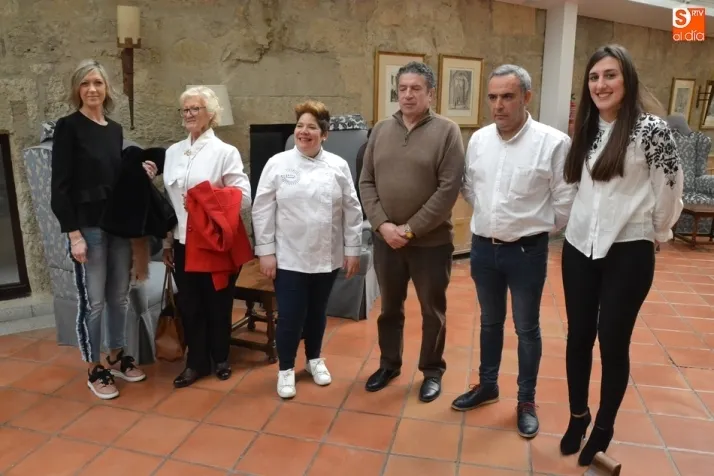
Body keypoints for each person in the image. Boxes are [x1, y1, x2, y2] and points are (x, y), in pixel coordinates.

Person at [559, 44, 683, 466]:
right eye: (594, 77)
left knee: (612, 341)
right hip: (579, 246)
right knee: (578, 337)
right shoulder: (586, 129)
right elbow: (576, 186)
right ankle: (578, 415)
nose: (601, 84)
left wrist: (658, 231)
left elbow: (669, 188)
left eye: (610, 75)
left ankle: (604, 426)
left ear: (627, 79)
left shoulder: (651, 130)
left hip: (628, 250)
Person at [451, 64, 576, 439]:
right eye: (492, 97)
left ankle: (526, 401)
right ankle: (488, 385)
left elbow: (565, 201)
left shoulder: (553, 143)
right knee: (490, 322)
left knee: (526, 329)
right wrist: (492, 217)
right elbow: (469, 186)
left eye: (507, 96)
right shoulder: (479, 140)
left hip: (526, 253)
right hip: (483, 250)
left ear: (526, 97)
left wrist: (530, 228)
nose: (498, 105)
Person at [359, 62, 465, 403]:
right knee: (389, 309)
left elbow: (448, 190)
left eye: (415, 88)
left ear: (430, 93)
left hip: (430, 244)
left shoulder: (447, 132)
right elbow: (366, 181)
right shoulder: (380, 130)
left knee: (432, 311)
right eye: (402, 88)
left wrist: (409, 230)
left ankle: (432, 371)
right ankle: (389, 364)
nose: (407, 95)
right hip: (386, 242)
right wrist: (382, 225)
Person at [51, 59, 155, 400]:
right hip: (89, 229)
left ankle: (116, 356)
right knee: (93, 302)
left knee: (118, 297)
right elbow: (60, 187)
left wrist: (141, 171)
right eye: (85, 83)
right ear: (77, 90)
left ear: (106, 88)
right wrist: (74, 235)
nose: (92, 89)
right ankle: (94, 368)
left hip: (118, 226)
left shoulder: (114, 129)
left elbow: (116, 178)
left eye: (97, 82)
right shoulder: (68, 127)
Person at [252, 100, 363, 399]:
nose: (304, 132)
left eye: (311, 127)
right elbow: (262, 209)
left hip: (327, 255)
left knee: (317, 312)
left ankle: (314, 359)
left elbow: (352, 210)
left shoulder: (338, 166)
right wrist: (265, 252)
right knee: (290, 315)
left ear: (324, 134)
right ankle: (286, 369)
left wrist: (352, 249)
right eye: (300, 126)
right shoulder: (278, 163)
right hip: (288, 256)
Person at [162, 86, 252, 388]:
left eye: (195, 109)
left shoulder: (225, 152)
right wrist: (166, 242)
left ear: (210, 114)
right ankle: (196, 363)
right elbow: (170, 202)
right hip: (182, 242)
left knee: (218, 302)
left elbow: (244, 197)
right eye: (185, 109)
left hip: (214, 242)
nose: (188, 114)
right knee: (189, 304)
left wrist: (205, 200)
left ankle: (221, 357)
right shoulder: (173, 152)